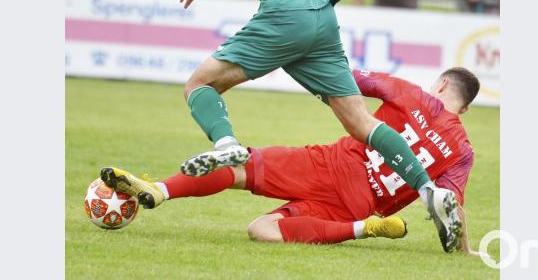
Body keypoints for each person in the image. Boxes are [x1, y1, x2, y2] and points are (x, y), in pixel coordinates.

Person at [102, 0, 464, 252]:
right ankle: (428, 190)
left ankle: (226, 146)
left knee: (199, 84)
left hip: (286, 16)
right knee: (360, 122)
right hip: (321, 19)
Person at [101, 67, 481, 253]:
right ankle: (365, 229)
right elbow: (453, 208)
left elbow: (342, 78)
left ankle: (160, 190)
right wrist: (464, 254)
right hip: (360, 205)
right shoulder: (462, 151)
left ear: (442, 85)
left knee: (236, 168)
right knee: (262, 229)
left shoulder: (411, 93)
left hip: (333, 163)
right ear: (463, 107)